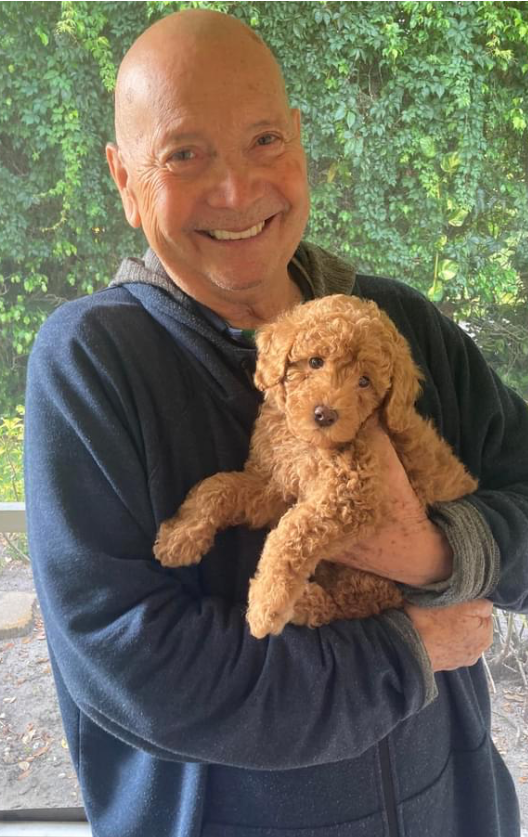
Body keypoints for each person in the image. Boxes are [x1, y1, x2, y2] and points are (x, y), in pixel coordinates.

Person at [24, 9, 528, 837]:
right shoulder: (90, 362)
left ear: (297, 141)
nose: (237, 190)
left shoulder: (395, 322)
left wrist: (440, 552)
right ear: (124, 181)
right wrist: (403, 655)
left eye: (264, 141)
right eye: (185, 154)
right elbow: (131, 663)